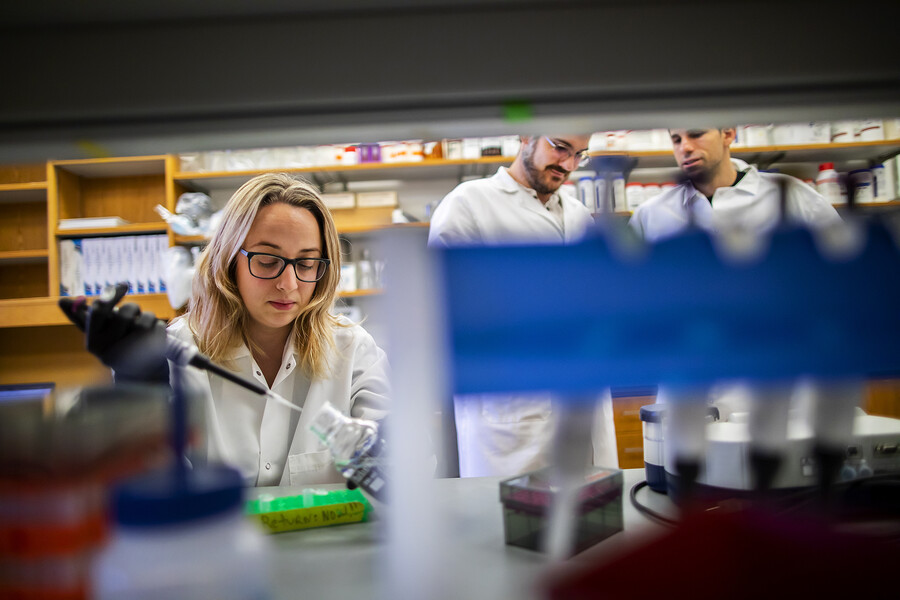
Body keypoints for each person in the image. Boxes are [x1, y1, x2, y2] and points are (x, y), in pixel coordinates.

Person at [69, 173, 391, 487]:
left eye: (306, 264)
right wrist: (134, 389)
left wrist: (388, 455)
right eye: (268, 261)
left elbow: (409, 466)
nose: (288, 285)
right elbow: (143, 484)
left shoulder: (351, 349)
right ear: (228, 260)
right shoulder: (177, 350)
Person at [428, 134, 619, 477]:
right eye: (560, 147)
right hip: (510, 415)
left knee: (592, 518)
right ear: (526, 135)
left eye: (580, 155)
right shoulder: (468, 204)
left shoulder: (578, 216)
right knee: (509, 522)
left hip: (583, 404)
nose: (568, 164)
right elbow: (444, 310)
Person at [630, 127, 841, 242]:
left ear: (728, 134)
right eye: (677, 140)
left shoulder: (792, 194)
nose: (685, 147)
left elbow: (842, 257)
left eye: (696, 134)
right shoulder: (650, 214)